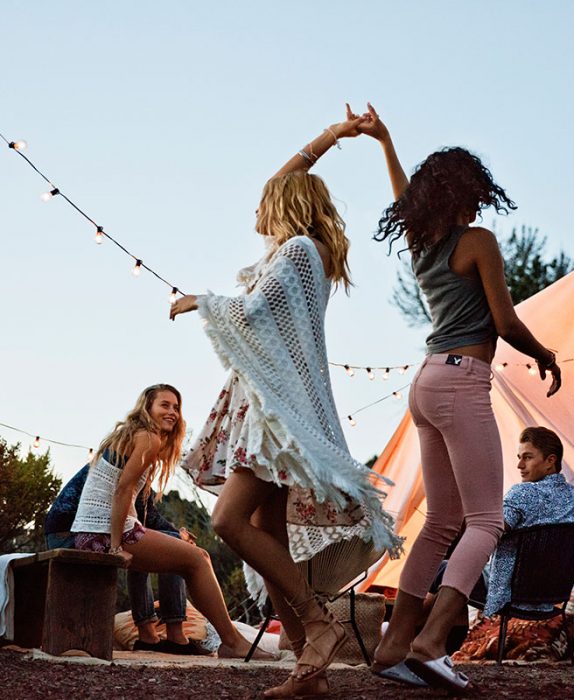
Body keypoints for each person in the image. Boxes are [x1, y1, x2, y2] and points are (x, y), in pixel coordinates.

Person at [170, 113, 402, 698]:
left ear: (285, 207)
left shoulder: (298, 252)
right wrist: (332, 136)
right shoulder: (298, 248)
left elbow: (254, 312)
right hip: (269, 407)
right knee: (265, 533)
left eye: (264, 203)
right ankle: (308, 667)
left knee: (227, 521)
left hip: (279, 417)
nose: (254, 214)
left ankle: (318, 626)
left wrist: (201, 301)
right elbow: (284, 181)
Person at [354, 103, 562, 694]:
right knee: (486, 519)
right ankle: (429, 642)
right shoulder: (477, 241)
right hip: (463, 378)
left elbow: (402, 198)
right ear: (467, 193)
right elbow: (505, 320)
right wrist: (544, 353)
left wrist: (386, 141)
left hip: (425, 383)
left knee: (441, 520)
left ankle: (393, 648)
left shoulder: (422, 240)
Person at [70, 383, 267, 659]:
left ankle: (222, 639)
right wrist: (115, 547)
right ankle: (232, 642)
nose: (172, 412)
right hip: (101, 534)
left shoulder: (136, 436)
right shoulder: (148, 438)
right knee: (197, 560)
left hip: (95, 531)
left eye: (176, 407)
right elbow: (123, 490)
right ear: (147, 407)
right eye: (165, 405)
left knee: (194, 556)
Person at [45, 465, 199, 654]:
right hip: (73, 533)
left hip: (65, 531)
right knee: (174, 547)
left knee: (156, 543)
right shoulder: (134, 458)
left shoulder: (120, 456)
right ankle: (174, 635)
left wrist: (176, 533)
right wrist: (177, 537)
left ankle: (147, 633)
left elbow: (144, 515)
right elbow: (145, 517)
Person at [482, 426, 574, 618]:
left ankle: (429, 639)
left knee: (445, 571)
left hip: (508, 591)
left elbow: (490, 533)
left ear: (550, 461)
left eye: (528, 457)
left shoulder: (522, 494)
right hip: (552, 595)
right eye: (519, 457)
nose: (520, 465)